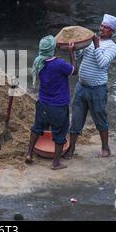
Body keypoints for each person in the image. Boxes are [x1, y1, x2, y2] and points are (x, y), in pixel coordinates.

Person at [65, 14, 116, 159]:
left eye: (106, 28)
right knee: (76, 119)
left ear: (112, 31)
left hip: (97, 89)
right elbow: (80, 55)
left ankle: (105, 148)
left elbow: (102, 63)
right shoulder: (90, 41)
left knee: (100, 118)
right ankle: (71, 148)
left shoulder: (112, 47)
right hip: (81, 86)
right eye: (102, 26)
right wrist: (73, 50)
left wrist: (96, 45)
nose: (102, 29)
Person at [25, 35, 78, 170]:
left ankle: (29, 154)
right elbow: (74, 71)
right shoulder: (59, 64)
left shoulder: (39, 62)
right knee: (60, 133)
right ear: (54, 50)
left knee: (37, 127)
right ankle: (55, 163)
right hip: (58, 106)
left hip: (43, 103)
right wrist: (72, 52)